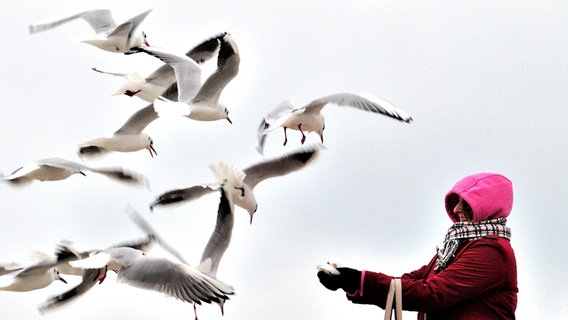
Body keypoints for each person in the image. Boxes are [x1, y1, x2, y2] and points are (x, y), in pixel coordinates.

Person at [317, 172, 518, 319]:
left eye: (465, 203)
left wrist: (360, 280)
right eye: (455, 202)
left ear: (487, 207)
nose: (456, 209)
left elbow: (432, 294)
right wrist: (353, 280)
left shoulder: (492, 251)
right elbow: (410, 281)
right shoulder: (456, 248)